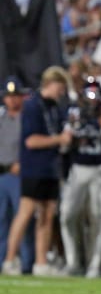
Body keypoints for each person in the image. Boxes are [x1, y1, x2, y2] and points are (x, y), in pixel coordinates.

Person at [2, 66, 72, 276]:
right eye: (61, 87)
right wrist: (59, 139)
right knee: (24, 214)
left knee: (47, 215)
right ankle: (9, 259)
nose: (62, 92)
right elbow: (31, 141)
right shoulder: (32, 106)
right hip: (33, 168)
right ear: (52, 83)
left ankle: (41, 263)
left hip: (51, 167)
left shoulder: (54, 107)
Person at [60, 77, 101, 278]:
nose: (92, 98)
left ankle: (95, 264)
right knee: (67, 215)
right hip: (78, 168)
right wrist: (70, 130)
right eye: (89, 93)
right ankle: (73, 262)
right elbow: (64, 147)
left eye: (95, 93)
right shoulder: (73, 112)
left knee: (99, 217)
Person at [0, 77, 34, 272]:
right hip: (2, 174)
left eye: (16, 96)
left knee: (23, 222)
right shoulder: (1, 118)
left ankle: (26, 264)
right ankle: (3, 262)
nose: (12, 100)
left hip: (21, 175)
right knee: (1, 221)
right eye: (9, 96)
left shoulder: (28, 118)